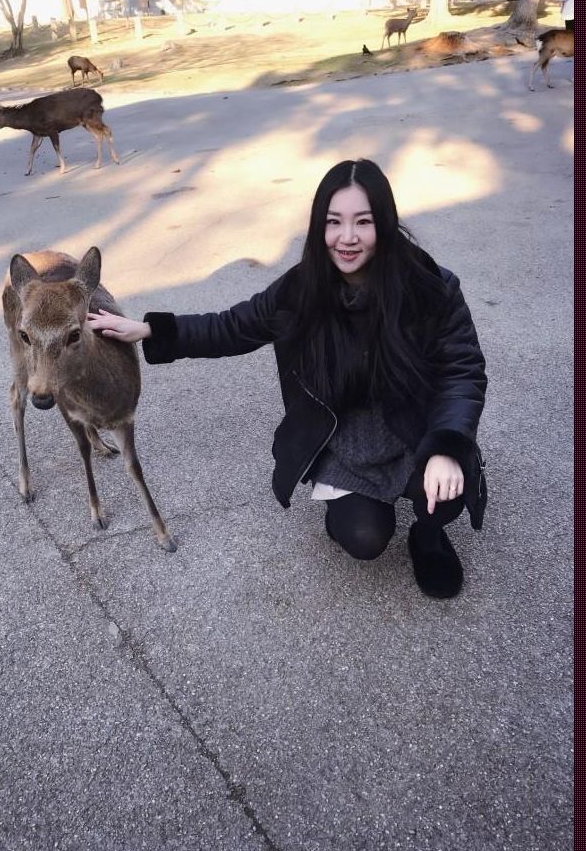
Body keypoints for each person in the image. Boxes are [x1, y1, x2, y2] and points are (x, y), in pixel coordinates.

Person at [87, 160, 488, 599]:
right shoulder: (301, 291)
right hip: (344, 440)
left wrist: (447, 447)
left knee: (449, 488)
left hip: (414, 428)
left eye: (363, 222)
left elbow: (462, 371)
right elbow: (233, 325)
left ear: (386, 225)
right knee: (364, 538)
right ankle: (351, 504)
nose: (347, 237)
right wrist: (150, 330)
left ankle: (427, 536)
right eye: (334, 222)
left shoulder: (431, 289)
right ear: (319, 227)